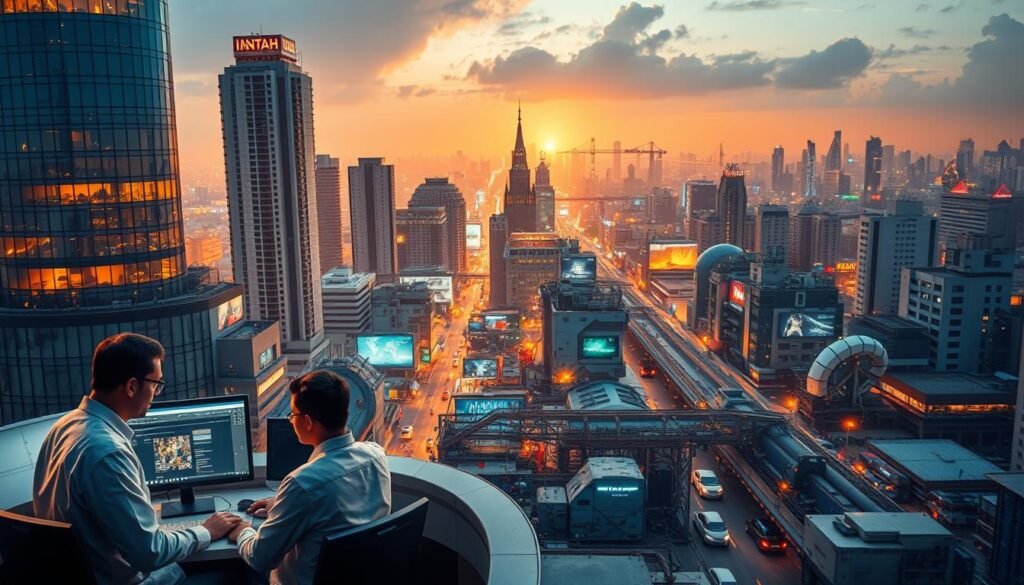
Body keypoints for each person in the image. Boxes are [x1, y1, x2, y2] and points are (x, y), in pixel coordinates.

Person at [33, 333, 242, 585]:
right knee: (241, 572)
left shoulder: (64, 426)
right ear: (132, 386)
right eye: (156, 384)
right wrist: (206, 531)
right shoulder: (108, 453)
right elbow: (150, 552)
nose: (156, 393)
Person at [229, 370, 391, 585]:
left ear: (307, 421)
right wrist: (281, 505)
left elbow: (260, 558)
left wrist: (242, 530)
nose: (290, 421)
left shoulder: (302, 483)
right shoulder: (376, 455)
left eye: (292, 414)